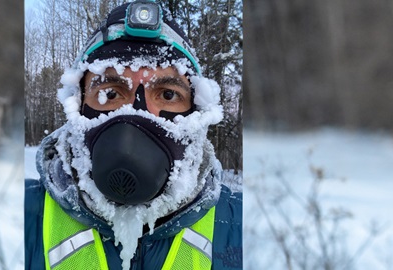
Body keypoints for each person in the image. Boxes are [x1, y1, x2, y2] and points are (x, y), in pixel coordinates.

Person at [24, 1, 241, 270]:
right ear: (78, 107)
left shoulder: (238, 222)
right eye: (110, 94)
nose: (137, 116)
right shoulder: (24, 216)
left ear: (195, 113)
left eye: (168, 94)